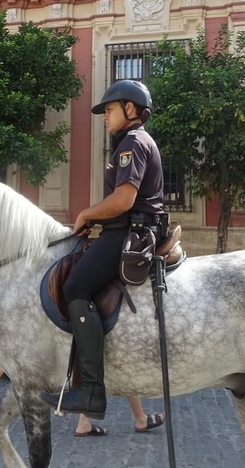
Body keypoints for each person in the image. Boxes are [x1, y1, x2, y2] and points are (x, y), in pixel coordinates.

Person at [41, 80, 166, 419]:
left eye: (108, 110)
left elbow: (123, 200)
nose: (103, 117)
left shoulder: (132, 142)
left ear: (129, 109)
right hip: (123, 228)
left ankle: (91, 390)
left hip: (130, 232)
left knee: (75, 287)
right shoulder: (131, 142)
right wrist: (96, 219)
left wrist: (86, 214)